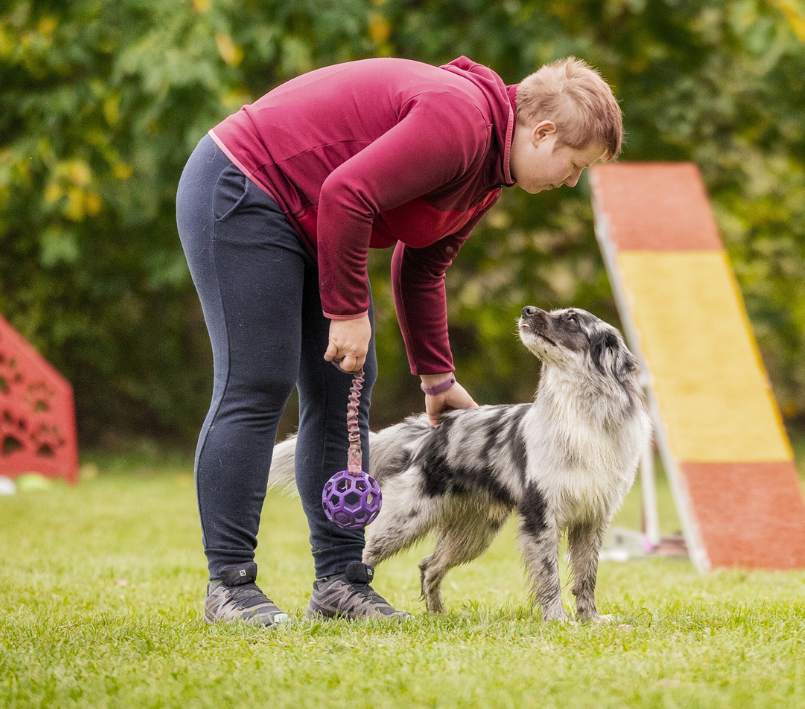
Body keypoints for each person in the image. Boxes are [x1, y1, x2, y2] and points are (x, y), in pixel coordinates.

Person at [174, 56, 623, 624]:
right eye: (575, 163)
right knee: (258, 381)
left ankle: (339, 584)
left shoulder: (491, 167)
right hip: (243, 186)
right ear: (543, 133)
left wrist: (437, 377)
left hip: (309, 218)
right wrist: (347, 310)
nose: (571, 180)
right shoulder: (461, 125)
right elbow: (346, 194)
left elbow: (422, 266)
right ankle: (230, 588)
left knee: (343, 394)